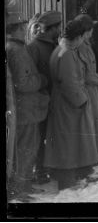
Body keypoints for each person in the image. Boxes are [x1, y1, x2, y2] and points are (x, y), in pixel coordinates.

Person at [44, 19, 98, 191]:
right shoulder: (67, 53)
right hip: (68, 104)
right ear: (80, 36)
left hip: (64, 102)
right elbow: (69, 83)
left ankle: (70, 177)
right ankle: (67, 181)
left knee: (67, 140)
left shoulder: (62, 49)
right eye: (84, 36)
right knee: (68, 141)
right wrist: (81, 101)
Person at [5, 1, 50, 199]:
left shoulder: (13, 47)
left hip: (22, 110)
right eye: (24, 26)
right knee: (27, 147)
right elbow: (23, 84)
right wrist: (41, 79)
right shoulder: (17, 50)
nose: (26, 29)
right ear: (19, 28)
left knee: (22, 147)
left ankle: (21, 185)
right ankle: (20, 188)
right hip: (26, 111)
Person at [27, 10, 63, 183]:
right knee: (39, 137)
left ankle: (48, 167)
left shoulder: (53, 45)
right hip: (41, 102)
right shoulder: (34, 47)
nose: (60, 30)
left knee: (51, 136)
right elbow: (29, 77)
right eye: (58, 27)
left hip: (53, 100)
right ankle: (38, 171)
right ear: (51, 28)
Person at [75, 13, 98, 161]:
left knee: (95, 120)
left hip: (92, 88)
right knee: (92, 120)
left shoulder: (85, 44)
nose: (93, 31)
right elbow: (87, 73)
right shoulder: (82, 46)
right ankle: (94, 154)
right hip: (90, 88)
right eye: (91, 28)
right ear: (86, 30)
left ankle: (97, 153)